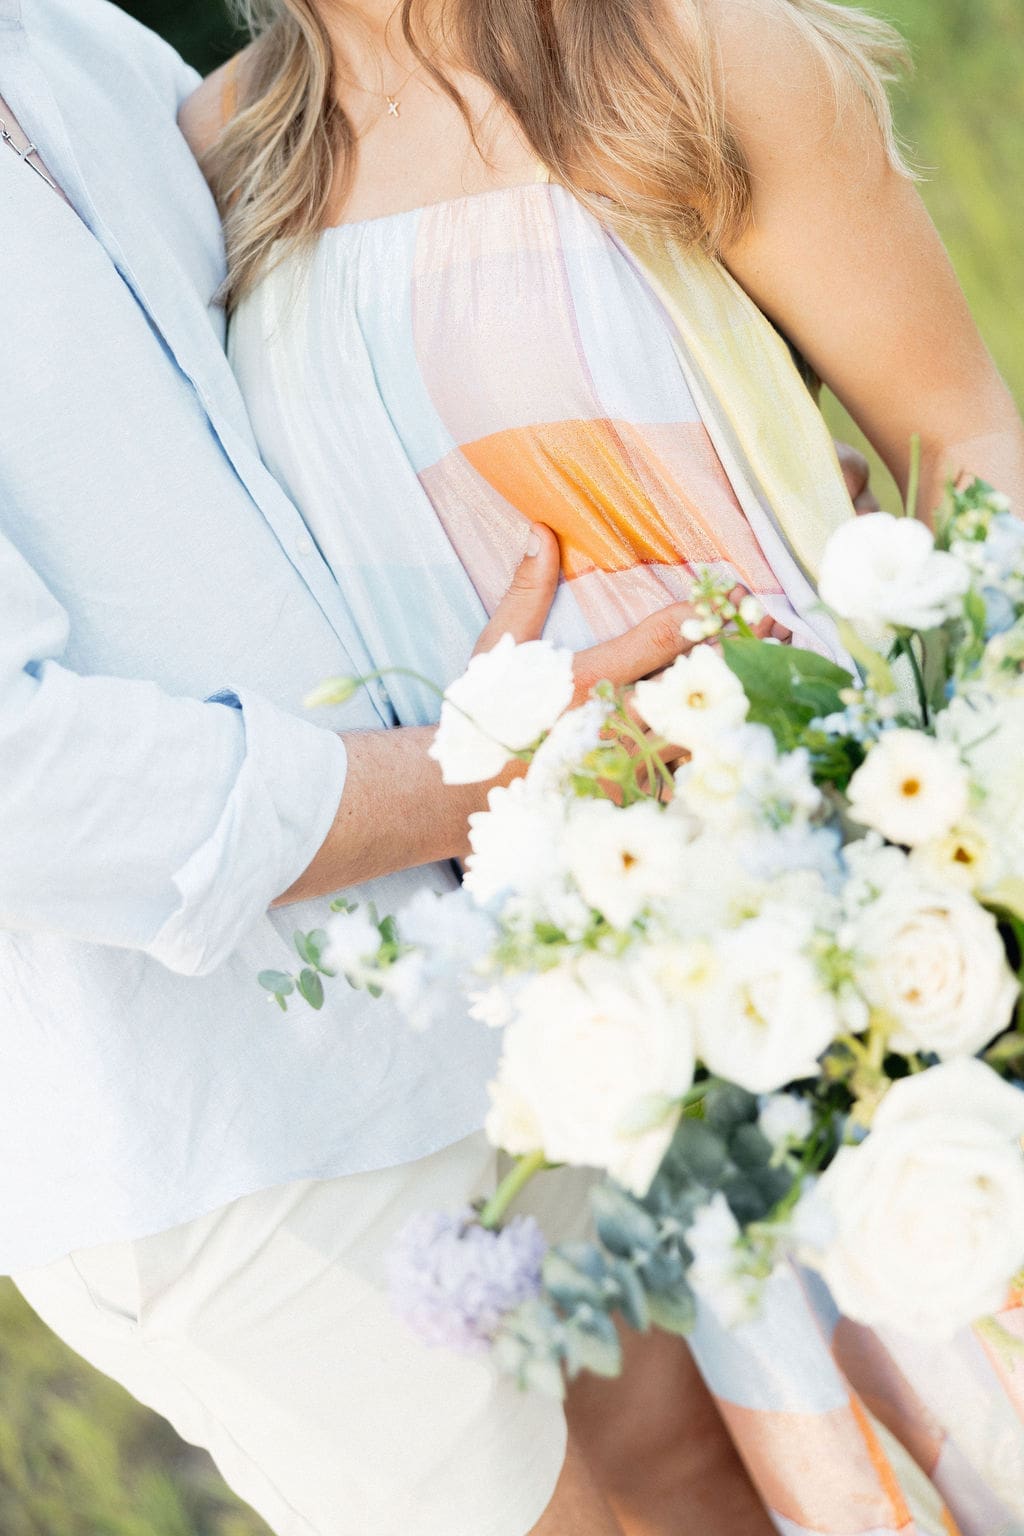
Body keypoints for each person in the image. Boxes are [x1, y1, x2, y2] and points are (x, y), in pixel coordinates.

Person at [173, 0, 1024, 1532]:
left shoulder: (685, 51)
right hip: (607, 1031)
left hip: (890, 905)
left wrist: (962, 835)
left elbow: (960, 442)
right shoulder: (224, 151)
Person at [0, 3, 780, 1535]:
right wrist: (481, 769)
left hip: (501, 972)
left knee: (754, 1479)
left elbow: (318, 361)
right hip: (207, 1133)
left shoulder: (70, 47)